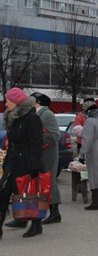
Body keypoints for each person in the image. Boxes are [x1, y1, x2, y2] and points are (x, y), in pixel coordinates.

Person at [0, 88, 45, 239]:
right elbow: (12, 142)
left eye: (8, 100)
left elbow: (36, 143)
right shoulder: (13, 118)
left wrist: (34, 165)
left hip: (26, 162)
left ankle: (35, 224)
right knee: (4, 193)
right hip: (12, 161)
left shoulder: (32, 119)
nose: (5, 103)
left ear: (16, 102)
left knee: (27, 195)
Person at [33, 93, 62, 224]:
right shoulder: (37, 114)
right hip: (40, 152)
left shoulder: (47, 114)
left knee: (49, 181)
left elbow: (55, 135)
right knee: (42, 182)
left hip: (48, 153)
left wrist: (36, 138)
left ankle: (55, 212)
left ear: (38, 102)